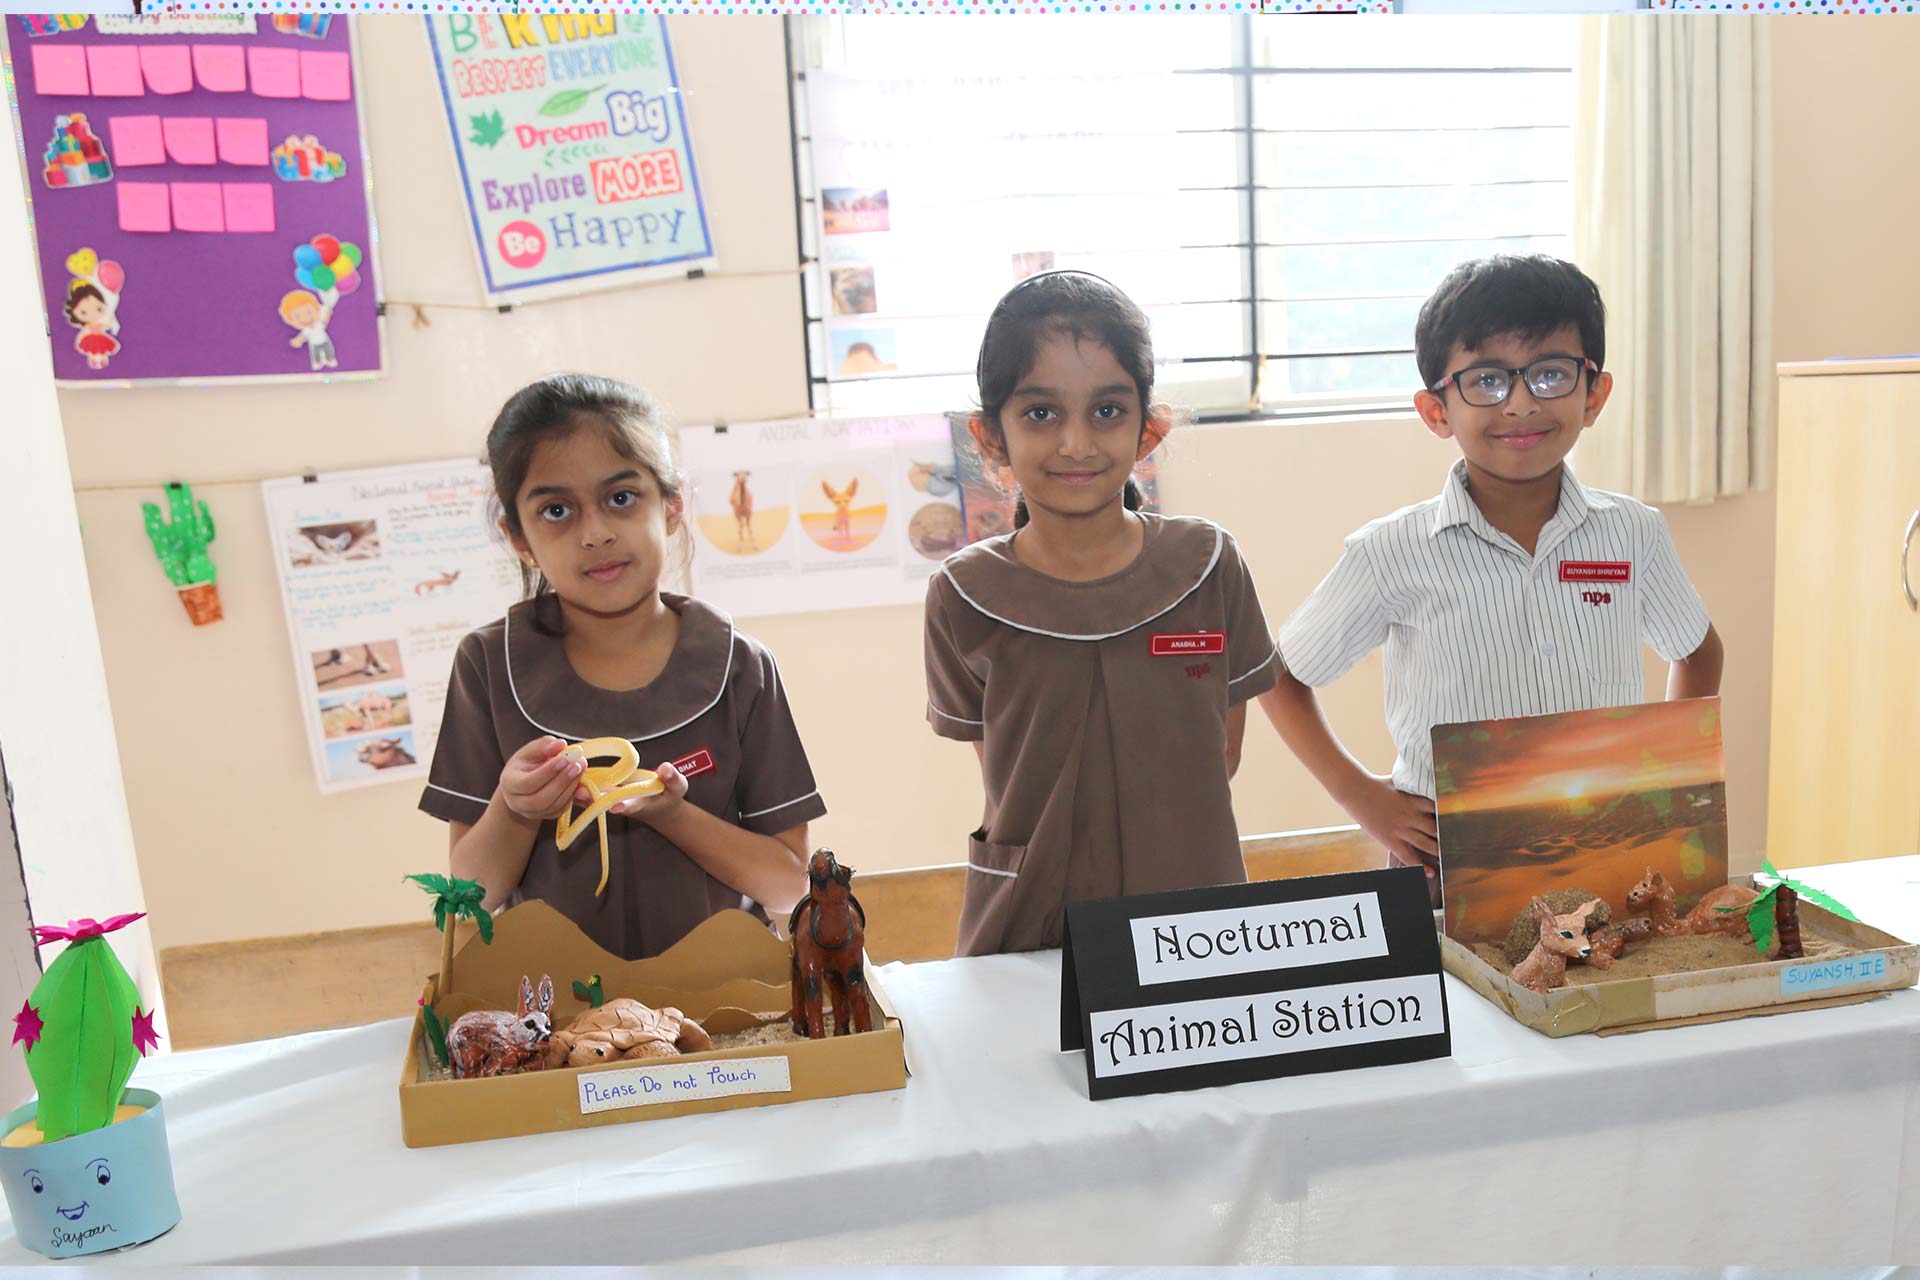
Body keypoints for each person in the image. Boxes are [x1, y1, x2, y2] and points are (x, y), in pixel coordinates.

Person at [1263, 255, 1723, 905]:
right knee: (1447, 979)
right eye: (1487, 380)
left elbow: (1698, 651)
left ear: (1594, 395)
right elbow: (1278, 675)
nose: (1522, 403)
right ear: (1436, 410)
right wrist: (1362, 796)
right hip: (1447, 866)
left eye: (1551, 373)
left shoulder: (1633, 534)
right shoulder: (1390, 552)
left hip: (1607, 853)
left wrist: (1666, 777)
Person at [925, 271, 1279, 956]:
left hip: (1195, 928)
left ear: (1150, 427)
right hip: (1027, 934)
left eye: (1108, 410)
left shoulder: (1209, 564)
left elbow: (1221, 753)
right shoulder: (963, 594)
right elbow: (1008, 778)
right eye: (1040, 414)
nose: (1077, 443)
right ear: (989, 436)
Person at [420, 373, 826, 959]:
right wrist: (514, 808)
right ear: (519, 538)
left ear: (672, 505)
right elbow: (469, 900)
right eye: (556, 510)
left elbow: (790, 885)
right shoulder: (487, 666)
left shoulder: (740, 666)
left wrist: (673, 814)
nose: (596, 533)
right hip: (556, 1005)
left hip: (723, 997)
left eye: (620, 498)